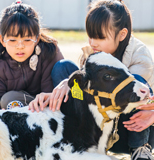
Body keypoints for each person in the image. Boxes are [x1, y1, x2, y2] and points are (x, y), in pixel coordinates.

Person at [29, 0, 154, 159]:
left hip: (128, 130)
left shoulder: (140, 56)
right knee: (64, 68)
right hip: (98, 128)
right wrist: (70, 83)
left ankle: (140, 149)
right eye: (90, 36)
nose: (93, 43)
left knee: (134, 84)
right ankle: (74, 139)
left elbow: (123, 95)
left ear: (122, 34)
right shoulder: (95, 51)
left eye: (100, 37)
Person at [0, 0, 78, 110]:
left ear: (37, 38)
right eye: (13, 40)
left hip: (53, 105)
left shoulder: (49, 51)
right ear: (2, 40)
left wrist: (66, 84)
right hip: (23, 111)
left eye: (27, 39)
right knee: (9, 99)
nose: (20, 46)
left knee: (65, 66)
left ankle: (78, 118)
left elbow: (53, 88)